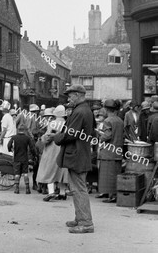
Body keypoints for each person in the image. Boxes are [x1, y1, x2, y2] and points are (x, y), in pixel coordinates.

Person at [54, 84, 95, 234]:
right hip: (80, 153)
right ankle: (80, 218)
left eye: (70, 95)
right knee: (77, 188)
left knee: (78, 190)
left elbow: (71, 134)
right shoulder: (85, 110)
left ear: (78, 95)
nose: (68, 98)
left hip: (77, 155)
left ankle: (86, 223)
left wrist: (56, 138)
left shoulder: (79, 111)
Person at [37, 106, 68, 202]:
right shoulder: (68, 124)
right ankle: (63, 193)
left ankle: (51, 192)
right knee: (62, 171)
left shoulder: (53, 123)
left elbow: (47, 137)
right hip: (64, 149)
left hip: (52, 149)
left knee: (49, 170)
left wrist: (42, 138)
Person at [97, 99, 124, 203]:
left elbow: (108, 135)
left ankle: (111, 196)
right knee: (116, 173)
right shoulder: (120, 120)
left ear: (106, 109)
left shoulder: (107, 121)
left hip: (108, 151)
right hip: (118, 151)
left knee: (108, 175)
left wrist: (100, 136)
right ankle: (115, 195)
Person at [7, 124, 36, 194]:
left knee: (17, 174)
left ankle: (17, 189)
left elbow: (9, 145)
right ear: (24, 130)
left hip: (16, 158)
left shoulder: (14, 137)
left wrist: (10, 150)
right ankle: (27, 189)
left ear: (18, 130)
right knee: (25, 173)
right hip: (25, 158)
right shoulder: (27, 138)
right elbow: (32, 148)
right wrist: (34, 155)